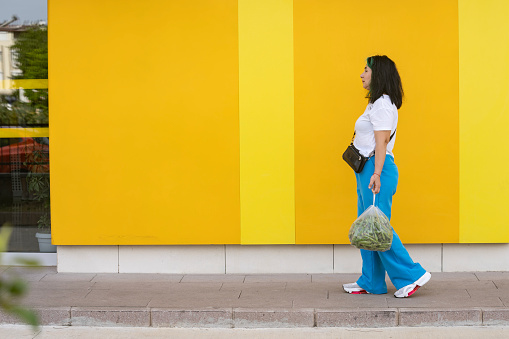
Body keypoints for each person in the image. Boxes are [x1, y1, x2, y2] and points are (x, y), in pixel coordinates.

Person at [342, 55, 431, 298]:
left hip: (376, 169)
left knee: (378, 228)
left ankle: (411, 275)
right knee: (367, 228)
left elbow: (381, 142)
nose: (362, 74)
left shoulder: (382, 104)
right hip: (367, 171)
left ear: (377, 74)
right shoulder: (375, 103)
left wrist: (377, 174)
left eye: (366, 70)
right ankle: (372, 281)